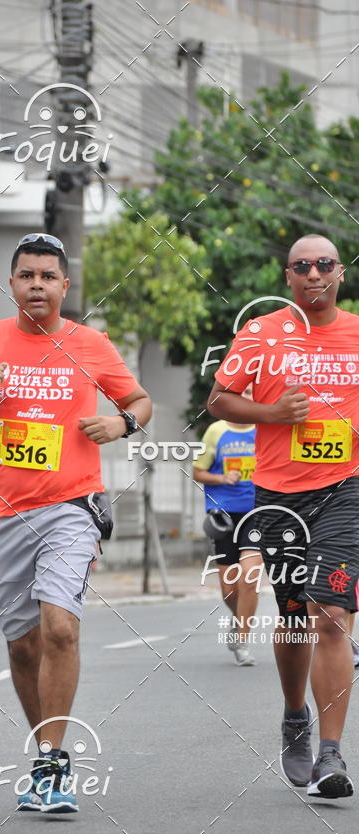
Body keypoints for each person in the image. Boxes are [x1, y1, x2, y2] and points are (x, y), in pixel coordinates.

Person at [0, 233, 152, 813]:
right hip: (2, 513)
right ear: (12, 283)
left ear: (64, 286)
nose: (37, 285)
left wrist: (122, 424)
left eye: (48, 277)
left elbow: (139, 401)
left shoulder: (91, 344)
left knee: (59, 629)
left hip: (71, 507)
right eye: (27, 275)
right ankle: (45, 751)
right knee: (24, 646)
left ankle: (53, 764)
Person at [208, 234, 358, 799]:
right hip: (278, 495)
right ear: (288, 277)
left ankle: (331, 754)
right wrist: (272, 412)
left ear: (340, 273)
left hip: (345, 489)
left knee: (330, 615)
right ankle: (296, 716)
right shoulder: (261, 332)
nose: (314, 273)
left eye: (324, 264)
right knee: (294, 616)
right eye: (302, 266)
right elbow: (219, 400)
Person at [194, 385, 262, 665]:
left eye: (252, 392)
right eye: (242, 392)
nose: (248, 397)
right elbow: (198, 471)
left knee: (250, 576)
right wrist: (222, 479)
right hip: (223, 515)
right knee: (229, 589)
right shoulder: (216, 431)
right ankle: (239, 617)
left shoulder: (264, 430)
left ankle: (242, 640)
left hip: (257, 512)